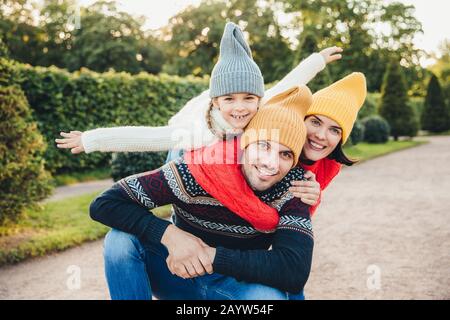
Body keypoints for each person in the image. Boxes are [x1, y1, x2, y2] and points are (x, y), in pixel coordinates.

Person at [55, 22, 343, 211]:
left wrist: (317, 60)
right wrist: (92, 140)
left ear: (258, 98)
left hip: (221, 141)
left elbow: (288, 83)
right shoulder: (201, 129)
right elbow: (149, 136)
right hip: (182, 140)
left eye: (249, 99)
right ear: (216, 101)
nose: (240, 108)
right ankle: (182, 217)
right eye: (229, 99)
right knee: (183, 169)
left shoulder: (262, 107)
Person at [89, 85, 314, 300]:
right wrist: (170, 235)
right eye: (264, 145)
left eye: (285, 154)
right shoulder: (197, 170)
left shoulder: (294, 186)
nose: (271, 163)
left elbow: (293, 270)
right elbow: (105, 204)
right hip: (174, 274)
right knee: (119, 241)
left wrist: (209, 256)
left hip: (235, 286)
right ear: (245, 144)